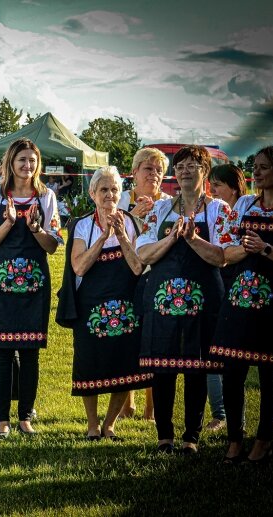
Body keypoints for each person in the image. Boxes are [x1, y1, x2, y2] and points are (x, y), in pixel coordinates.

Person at [135, 145, 228, 454]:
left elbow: (221, 257)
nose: (185, 170)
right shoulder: (160, 210)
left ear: (205, 172)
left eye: (193, 165)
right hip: (163, 301)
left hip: (203, 301)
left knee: (196, 367)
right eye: (181, 166)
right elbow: (143, 253)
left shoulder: (217, 211)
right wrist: (172, 237)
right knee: (163, 366)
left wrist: (192, 238)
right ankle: (164, 436)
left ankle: (191, 436)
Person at [211, 146, 273, 463]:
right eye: (255, 167)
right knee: (233, 369)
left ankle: (263, 441)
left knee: (269, 370)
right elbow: (224, 249)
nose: (257, 173)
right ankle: (235, 439)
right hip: (239, 297)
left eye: (264, 167)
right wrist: (244, 249)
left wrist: (262, 248)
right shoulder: (247, 203)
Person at [0, 138, 63, 438]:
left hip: (34, 284)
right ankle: (2, 420)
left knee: (30, 353)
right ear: (11, 163)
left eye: (32, 160)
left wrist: (36, 228)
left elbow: (53, 246)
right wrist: (9, 224)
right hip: (0, 284)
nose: (27, 165)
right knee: (1, 352)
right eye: (22, 160)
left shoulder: (47, 197)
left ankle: (25, 417)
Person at [59, 166, 149, 441]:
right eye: (103, 190)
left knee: (124, 364)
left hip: (126, 307)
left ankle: (110, 424)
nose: (109, 195)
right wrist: (102, 237)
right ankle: (92, 425)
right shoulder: (82, 225)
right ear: (92, 193)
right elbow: (79, 267)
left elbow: (137, 267)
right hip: (91, 308)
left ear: (121, 193)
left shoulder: (132, 224)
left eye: (114, 190)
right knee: (89, 363)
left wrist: (120, 235)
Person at [117, 147, 171, 420]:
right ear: (134, 172)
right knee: (126, 339)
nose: (154, 174)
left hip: (155, 275)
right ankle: (127, 405)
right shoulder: (121, 200)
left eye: (159, 170)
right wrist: (132, 217)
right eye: (148, 169)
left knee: (152, 342)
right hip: (123, 275)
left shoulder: (170, 203)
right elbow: (109, 236)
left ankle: (152, 408)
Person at [205, 163, 248, 432]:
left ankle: (230, 419)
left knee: (235, 356)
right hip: (218, 282)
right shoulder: (217, 212)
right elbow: (219, 251)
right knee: (213, 350)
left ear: (233, 187)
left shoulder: (244, 210)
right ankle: (221, 415)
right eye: (211, 184)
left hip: (237, 284)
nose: (213, 190)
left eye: (218, 184)